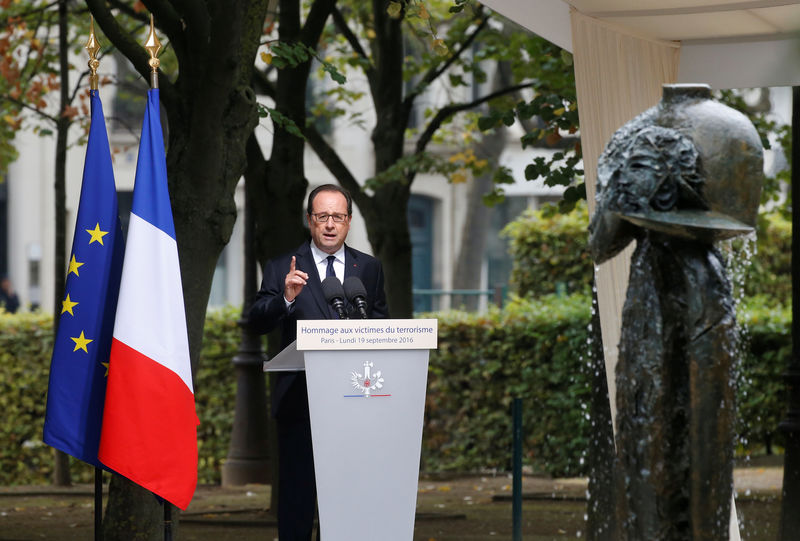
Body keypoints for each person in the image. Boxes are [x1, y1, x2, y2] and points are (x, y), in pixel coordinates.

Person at [249, 184, 389, 541]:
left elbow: (382, 324)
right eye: (322, 216)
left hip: (356, 401)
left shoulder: (369, 268)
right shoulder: (284, 266)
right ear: (310, 221)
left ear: (349, 221)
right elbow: (257, 320)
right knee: (298, 497)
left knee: (346, 498)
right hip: (301, 400)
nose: (330, 225)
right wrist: (285, 297)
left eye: (337, 217)